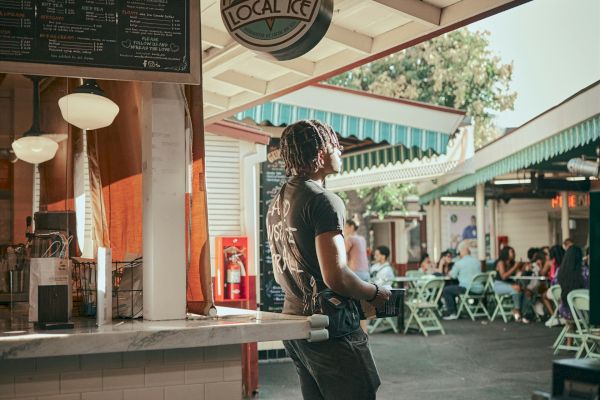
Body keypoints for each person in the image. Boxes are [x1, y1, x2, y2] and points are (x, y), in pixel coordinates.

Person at [267, 120, 391, 400]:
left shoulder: (276, 203)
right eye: (337, 145)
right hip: (329, 327)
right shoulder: (324, 201)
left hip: (294, 323)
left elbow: (280, 270)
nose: (342, 151)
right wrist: (374, 292)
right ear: (321, 153)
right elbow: (336, 276)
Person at [442, 244, 483, 320]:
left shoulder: (459, 263)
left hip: (467, 288)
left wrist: (448, 264)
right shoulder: (477, 262)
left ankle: (452, 313)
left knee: (447, 290)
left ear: (461, 253)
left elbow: (452, 275)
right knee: (454, 288)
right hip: (479, 289)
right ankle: (460, 310)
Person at [557, 245, 589, 322]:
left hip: (565, 310)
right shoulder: (585, 271)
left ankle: (572, 328)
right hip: (584, 312)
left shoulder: (560, 271)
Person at [493, 246, 525, 323]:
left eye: (514, 252)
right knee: (517, 289)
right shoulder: (501, 262)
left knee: (524, 290)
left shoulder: (512, 263)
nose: (514, 254)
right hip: (499, 285)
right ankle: (517, 311)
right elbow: (503, 276)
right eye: (512, 252)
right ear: (506, 253)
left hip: (510, 284)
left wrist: (522, 267)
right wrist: (515, 267)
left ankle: (519, 311)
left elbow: (517, 274)